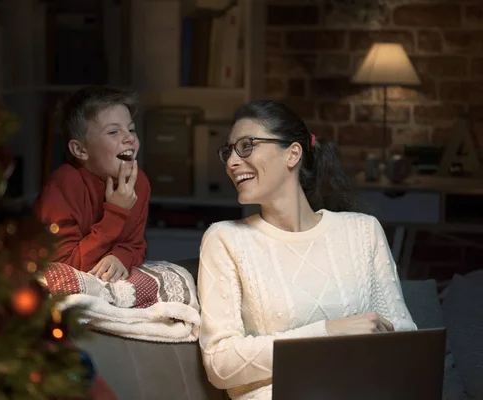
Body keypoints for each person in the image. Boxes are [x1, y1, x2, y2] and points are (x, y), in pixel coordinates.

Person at [197, 100, 417, 400]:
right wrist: (329, 332)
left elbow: (404, 336)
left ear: (293, 153)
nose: (232, 162)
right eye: (229, 151)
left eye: (246, 146)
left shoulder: (362, 231)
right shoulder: (226, 239)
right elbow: (220, 363)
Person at [34, 85, 150, 283]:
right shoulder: (64, 186)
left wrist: (121, 256)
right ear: (80, 151)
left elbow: (135, 245)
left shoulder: (139, 183)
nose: (130, 138)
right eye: (113, 132)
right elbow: (63, 266)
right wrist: (116, 211)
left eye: (131, 129)